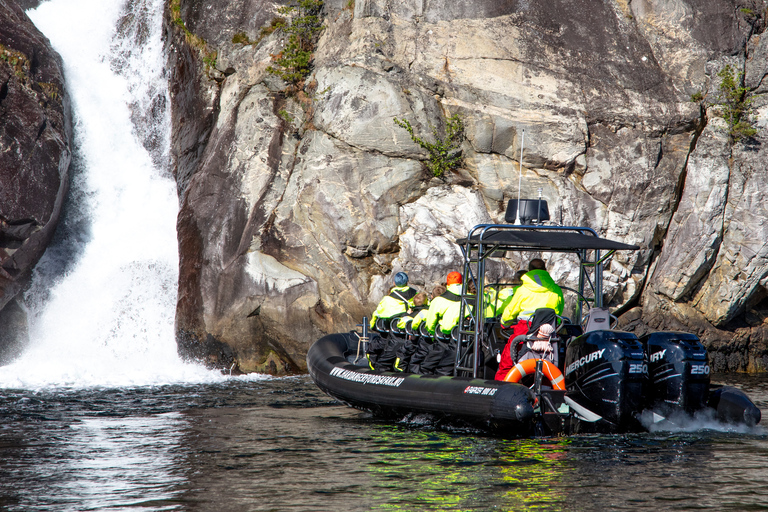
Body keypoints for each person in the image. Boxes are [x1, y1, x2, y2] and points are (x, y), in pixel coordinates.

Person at [500, 259, 563, 337]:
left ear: (529, 270)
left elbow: (511, 310)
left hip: (526, 330)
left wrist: (504, 323)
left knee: (511, 343)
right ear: (545, 269)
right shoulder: (556, 289)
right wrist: (557, 323)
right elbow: (560, 309)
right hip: (549, 330)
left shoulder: (522, 290)